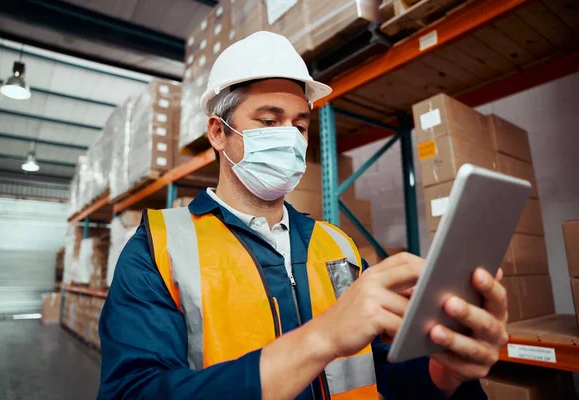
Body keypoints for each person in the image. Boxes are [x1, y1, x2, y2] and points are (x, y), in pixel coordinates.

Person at [98, 31, 508, 400]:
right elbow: (133, 392)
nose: (290, 138)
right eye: (268, 121)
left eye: (300, 124)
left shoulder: (337, 245)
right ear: (219, 132)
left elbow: (384, 373)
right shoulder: (159, 248)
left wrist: (443, 371)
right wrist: (321, 338)